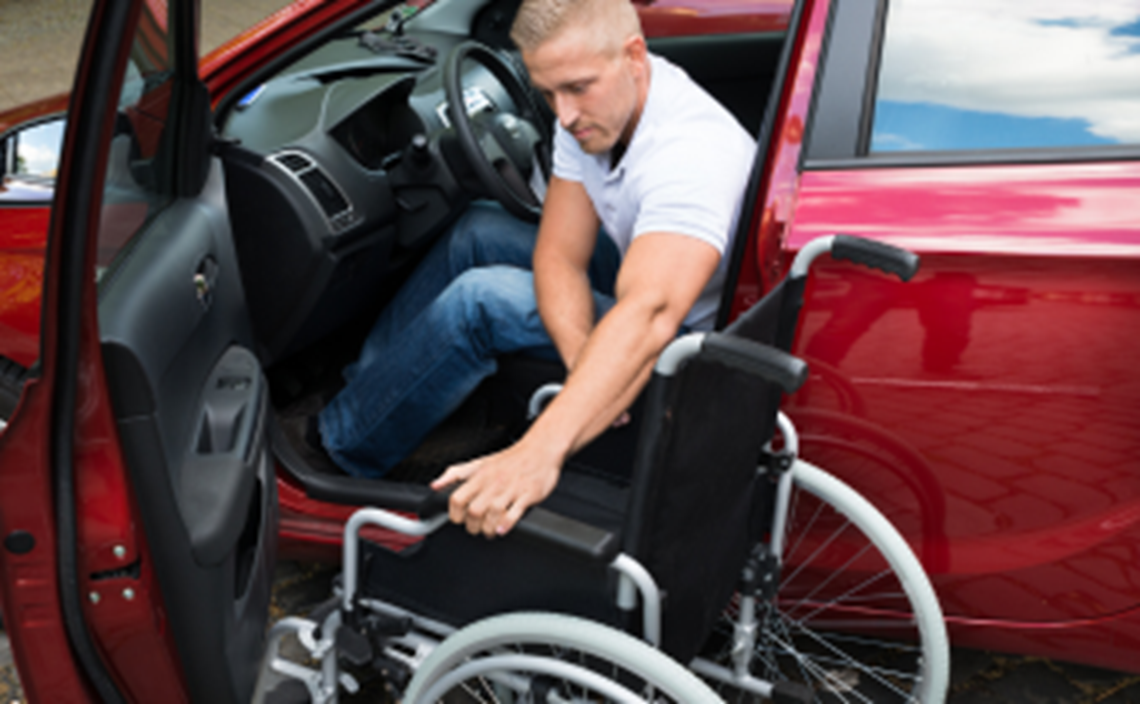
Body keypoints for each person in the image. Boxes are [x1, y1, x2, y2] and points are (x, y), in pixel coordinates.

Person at [317, 0, 756, 537]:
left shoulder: (690, 158)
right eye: (548, 93)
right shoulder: (597, 110)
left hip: (693, 341)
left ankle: (340, 452)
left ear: (634, 56)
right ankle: (371, 392)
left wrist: (537, 453)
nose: (563, 115)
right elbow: (559, 254)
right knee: (477, 231)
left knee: (480, 299)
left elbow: (649, 315)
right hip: (639, 278)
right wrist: (581, 358)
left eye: (576, 88)